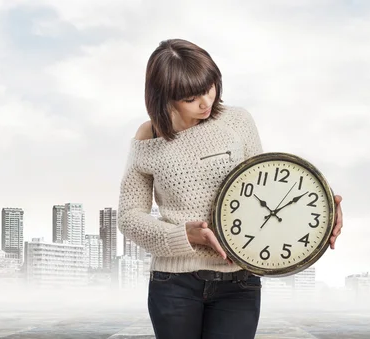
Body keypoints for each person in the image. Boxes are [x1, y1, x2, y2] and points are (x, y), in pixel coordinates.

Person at [117, 38, 344, 339]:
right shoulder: (149, 136)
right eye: (190, 98)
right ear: (165, 97)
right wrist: (184, 235)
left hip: (239, 283)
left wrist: (322, 209)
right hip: (174, 284)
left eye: (209, 87)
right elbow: (129, 216)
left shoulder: (237, 121)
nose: (205, 102)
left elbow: (265, 190)